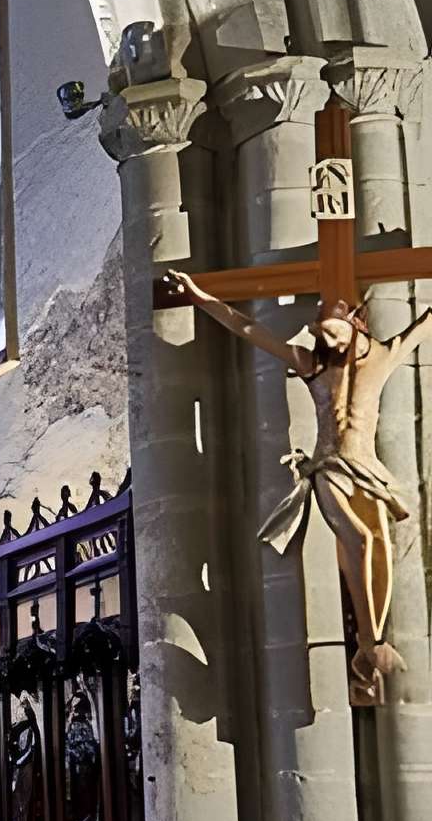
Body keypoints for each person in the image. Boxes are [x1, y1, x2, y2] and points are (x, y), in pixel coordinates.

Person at [161, 270, 432, 703]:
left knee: (378, 545)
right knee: (359, 540)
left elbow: (424, 324)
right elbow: (248, 327)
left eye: (334, 332)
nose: (330, 341)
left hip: (368, 467)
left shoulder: (382, 357)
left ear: (355, 321)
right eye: (323, 334)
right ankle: (372, 640)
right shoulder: (311, 365)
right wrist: (198, 295)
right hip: (327, 468)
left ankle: (366, 650)